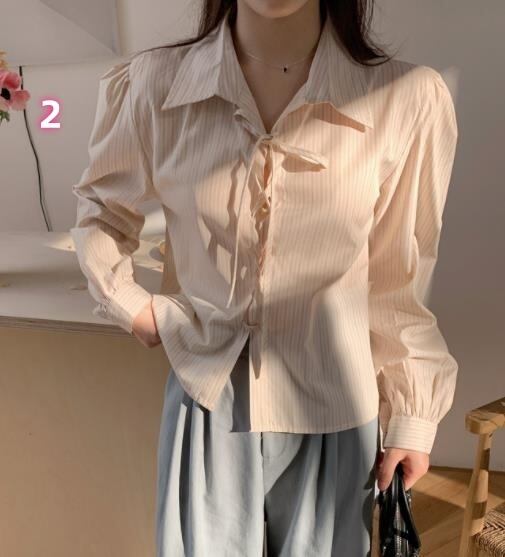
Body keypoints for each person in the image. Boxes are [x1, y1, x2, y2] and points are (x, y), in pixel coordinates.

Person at [70, 0, 459, 555]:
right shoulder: (156, 84)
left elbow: (398, 280)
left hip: (335, 410)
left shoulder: (405, 97)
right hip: (206, 403)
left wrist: (412, 415)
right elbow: (102, 210)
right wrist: (130, 305)